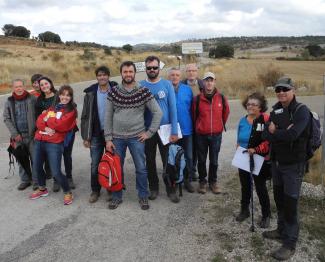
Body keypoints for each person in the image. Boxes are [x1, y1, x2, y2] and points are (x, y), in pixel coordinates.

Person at [262, 77, 311, 261]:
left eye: (285, 89)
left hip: (293, 166)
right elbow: (267, 134)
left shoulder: (301, 111)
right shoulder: (276, 110)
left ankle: (290, 243)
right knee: (279, 199)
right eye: (278, 89)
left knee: (290, 204)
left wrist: (276, 132)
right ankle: (281, 230)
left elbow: (293, 135)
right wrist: (276, 132)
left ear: (293, 90)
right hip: (277, 164)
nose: (281, 92)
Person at [105, 61, 162, 210]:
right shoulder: (113, 92)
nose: (128, 74)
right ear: (121, 73)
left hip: (137, 137)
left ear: (135, 73)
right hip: (117, 138)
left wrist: (149, 132)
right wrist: (108, 139)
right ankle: (117, 197)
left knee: (141, 168)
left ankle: (143, 196)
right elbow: (108, 116)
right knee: (117, 168)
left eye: (131, 71)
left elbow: (158, 112)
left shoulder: (143, 91)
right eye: (125, 72)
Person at [139, 56, 179, 203]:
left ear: (159, 68)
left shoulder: (167, 85)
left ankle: (171, 189)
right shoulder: (141, 85)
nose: (152, 70)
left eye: (155, 67)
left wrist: (174, 131)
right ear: (145, 69)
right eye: (149, 68)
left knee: (168, 161)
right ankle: (154, 188)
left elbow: (173, 109)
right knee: (149, 161)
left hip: (166, 130)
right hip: (148, 131)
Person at [30, 85, 77, 205]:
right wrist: (45, 124)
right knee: (36, 167)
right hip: (39, 140)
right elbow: (39, 121)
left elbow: (61, 125)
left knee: (56, 172)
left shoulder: (71, 110)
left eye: (68, 95)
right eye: (62, 94)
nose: (65, 97)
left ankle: (67, 192)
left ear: (71, 97)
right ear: (59, 95)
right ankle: (42, 189)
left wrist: (48, 119)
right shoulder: (52, 107)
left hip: (54, 143)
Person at [81, 66, 118, 203]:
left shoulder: (116, 90)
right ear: (96, 77)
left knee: (110, 163)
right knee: (95, 164)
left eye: (104, 75)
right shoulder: (90, 93)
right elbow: (85, 116)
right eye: (99, 75)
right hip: (96, 134)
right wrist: (86, 137)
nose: (102, 77)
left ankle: (110, 188)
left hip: (112, 134)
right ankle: (95, 190)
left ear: (108, 76)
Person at [235, 92, 271, 228]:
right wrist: (238, 147)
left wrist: (256, 150)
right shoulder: (242, 121)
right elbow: (239, 139)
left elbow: (268, 141)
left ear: (260, 107)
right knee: (245, 185)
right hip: (243, 157)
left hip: (259, 158)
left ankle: (266, 214)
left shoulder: (265, 120)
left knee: (260, 186)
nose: (250, 106)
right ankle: (244, 210)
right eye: (248, 104)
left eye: (254, 104)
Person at [192, 72, 230, 194]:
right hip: (201, 135)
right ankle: (202, 182)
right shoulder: (197, 99)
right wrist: (199, 126)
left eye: (211, 80)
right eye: (207, 80)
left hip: (216, 135)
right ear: (203, 82)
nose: (209, 83)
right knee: (202, 160)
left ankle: (213, 182)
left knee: (214, 160)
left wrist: (218, 125)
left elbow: (226, 114)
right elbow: (194, 116)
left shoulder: (221, 98)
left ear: (214, 82)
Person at [3, 79, 36, 190]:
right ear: (13, 88)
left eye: (21, 86)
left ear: (24, 86)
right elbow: (6, 118)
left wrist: (36, 131)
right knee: (22, 158)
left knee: (35, 158)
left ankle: (36, 180)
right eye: (16, 86)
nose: (19, 88)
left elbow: (39, 115)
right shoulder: (9, 101)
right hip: (18, 136)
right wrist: (14, 133)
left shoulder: (32, 99)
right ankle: (25, 180)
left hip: (32, 135)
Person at [168, 67, 195, 193]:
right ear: (169, 76)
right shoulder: (166, 89)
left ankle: (187, 180)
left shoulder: (187, 90)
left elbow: (192, 109)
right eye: (172, 75)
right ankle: (174, 181)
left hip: (186, 129)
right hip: (172, 131)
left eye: (177, 75)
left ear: (180, 76)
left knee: (188, 156)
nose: (175, 77)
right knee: (173, 157)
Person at [182, 63, 204, 181]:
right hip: (186, 122)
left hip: (199, 122)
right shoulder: (180, 85)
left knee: (196, 148)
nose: (191, 73)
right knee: (187, 150)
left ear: (197, 72)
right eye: (189, 70)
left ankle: (193, 170)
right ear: (186, 72)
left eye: (193, 71)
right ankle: (185, 171)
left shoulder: (203, 85)